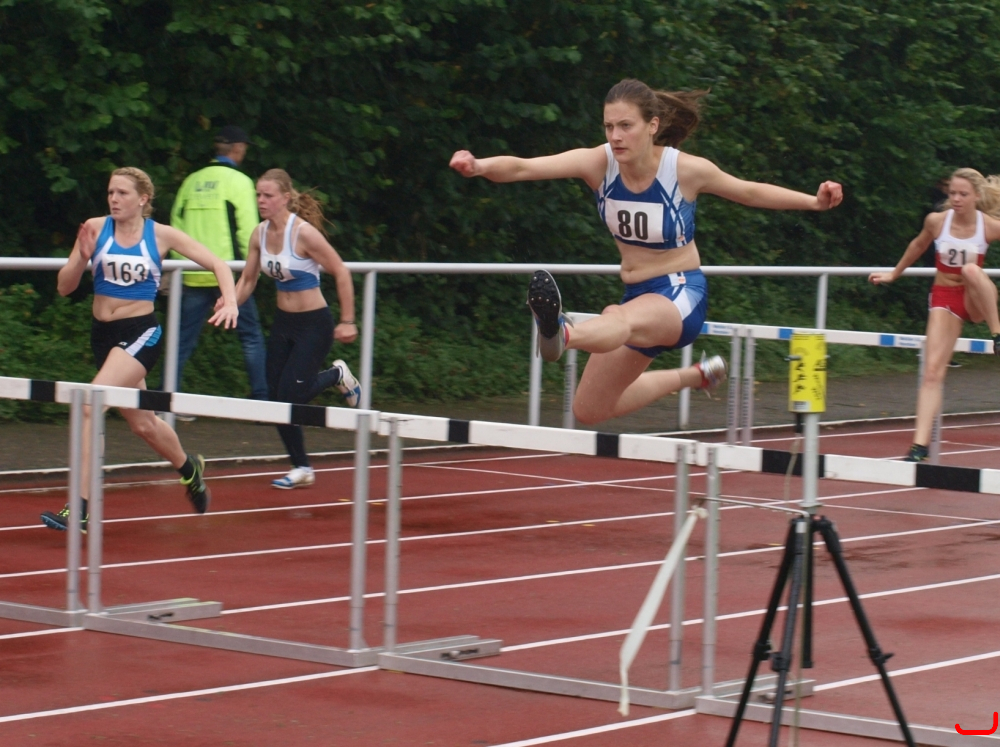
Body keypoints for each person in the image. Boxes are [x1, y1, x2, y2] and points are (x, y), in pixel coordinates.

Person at [449, 78, 843, 425]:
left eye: (626, 126)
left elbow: (749, 192)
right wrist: (479, 166)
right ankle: (696, 375)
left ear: (652, 126)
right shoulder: (598, 163)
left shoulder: (684, 170)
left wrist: (813, 202)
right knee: (589, 408)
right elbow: (524, 168)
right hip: (637, 295)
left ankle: (562, 333)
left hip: (680, 293)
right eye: (609, 127)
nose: (615, 136)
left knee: (618, 318)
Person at [41, 167, 240, 531]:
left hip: (140, 333)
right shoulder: (96, 228)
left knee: (89, 405)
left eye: (122, 193)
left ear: (142, 199)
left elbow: (217, 264)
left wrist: (229, 300)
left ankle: (80, 508)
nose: (114, 199)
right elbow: (64, 287)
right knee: (144, 425)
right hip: (103, 335)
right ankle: (189, 469)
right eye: (110, 192)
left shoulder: (160, 235)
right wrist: (82, 257)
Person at [226, 168, 361, 489]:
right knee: (276, 400)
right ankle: (301, 467)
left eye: (268, 195)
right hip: (283, 324)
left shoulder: (303, 234)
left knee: (292, 394)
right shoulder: (259, 234)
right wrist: (229, 303)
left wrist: (347, 320)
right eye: (258, 195)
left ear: (285, 198)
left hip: (314, 324)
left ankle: (337, 375)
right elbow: (248, 279)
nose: (261, 200)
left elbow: (341, 271)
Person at [869, 167, 1000, 462]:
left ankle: (998, 334)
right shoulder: (937, 221)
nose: (956, 199)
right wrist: (893, 274)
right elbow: (918, 245)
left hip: (975, 298)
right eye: (952, 193)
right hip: (945, 298)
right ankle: (920, 446)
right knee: (932, 372)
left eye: (963, 194)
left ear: (976, 197)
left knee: (971, 270)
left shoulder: (989, 226)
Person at [166, 125, 267, 406]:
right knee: (250, 337)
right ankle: (262, 400)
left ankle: (165, 399)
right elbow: (249, 231)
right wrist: (252, 270)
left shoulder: (191, 181)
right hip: (229, 276)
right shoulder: (240, 182)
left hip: (191, 274)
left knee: (181, 341)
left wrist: (179, 267)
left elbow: (175, 225)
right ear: (238, 149)